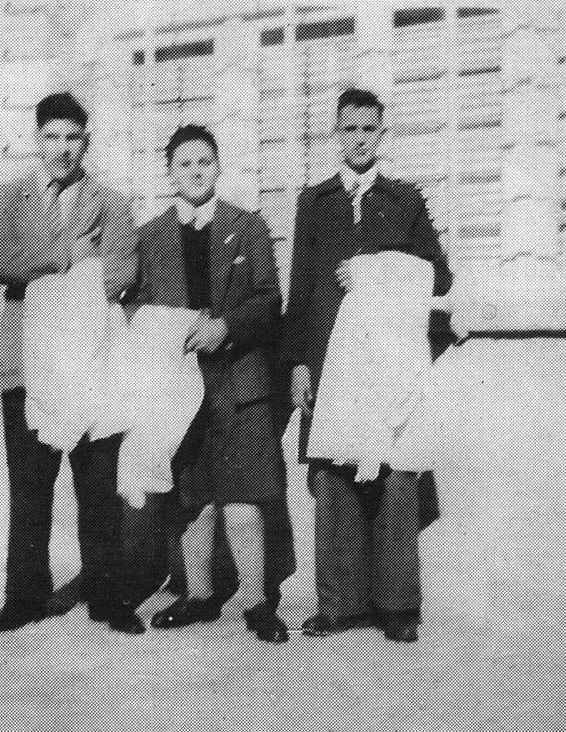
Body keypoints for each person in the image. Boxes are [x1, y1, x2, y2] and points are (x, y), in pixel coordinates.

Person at [279, 88, 452, 643]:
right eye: (348, 128)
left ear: (382, 134)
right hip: (331, 361)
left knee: (398, 477)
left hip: (391, 363)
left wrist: (374, 270)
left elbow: (438, 277)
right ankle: (340, 604)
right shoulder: (314, 201)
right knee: (333, 477)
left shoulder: (405, 199)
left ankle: (398, 606)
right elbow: (301, 290)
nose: (358, 138)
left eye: (368, 129)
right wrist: (299, 364)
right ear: (336, 133)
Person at [0, 92, 145, 634]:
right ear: (37, 140)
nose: (62, 149)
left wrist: (49, 273)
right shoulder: (8, 198)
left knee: (97, 487)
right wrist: (67, 258)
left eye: (72, 138)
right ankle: (23, 597)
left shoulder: (111, 202)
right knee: (29, 485)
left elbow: (121, 274)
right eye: (51, 137)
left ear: (86, 142)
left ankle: (108, 599)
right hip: (24, 364)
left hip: (91, 362)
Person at [134, 125, 295, 643]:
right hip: (179, 384)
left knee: (245, 502)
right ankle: (200, 596)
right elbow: (133, 304)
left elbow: (270, 300)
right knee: (194, 500)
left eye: (205, 161)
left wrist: (225, 327)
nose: (196, 171)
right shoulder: (152, 235)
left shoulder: (246, 226)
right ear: (170, 173)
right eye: (185, 163)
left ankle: (256, 601)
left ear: (219, 167)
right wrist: (167, 329)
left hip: (241, 380)